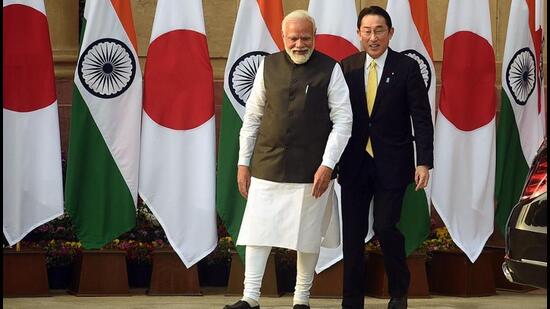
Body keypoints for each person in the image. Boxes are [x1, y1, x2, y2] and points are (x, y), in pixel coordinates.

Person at [223, 9, 353, 309]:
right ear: (283, 38)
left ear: (314, 37)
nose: (299, 44)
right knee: (258, 232)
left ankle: (301, 299)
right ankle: (250, 297)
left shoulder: (330, 69)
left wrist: (328, 164)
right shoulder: (267, 65)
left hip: (312, 170)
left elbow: (344, 121)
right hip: (268, 165)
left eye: (305, 37)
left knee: (307, 237)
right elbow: (253, 117)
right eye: (293, 38)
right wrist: (244, 163)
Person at [338, 6, 434, 309]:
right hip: (354, 164)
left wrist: (424, 161)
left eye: (379, 30)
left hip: (392, 164)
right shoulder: (346, 67)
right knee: (352, 237)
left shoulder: (406, 67)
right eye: (367, 31)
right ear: (358, 34)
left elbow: (421, 116)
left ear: (390, 33)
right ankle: (351, 301)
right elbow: (335, 118)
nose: (373, 37)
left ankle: (398, 293)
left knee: (385, 226)